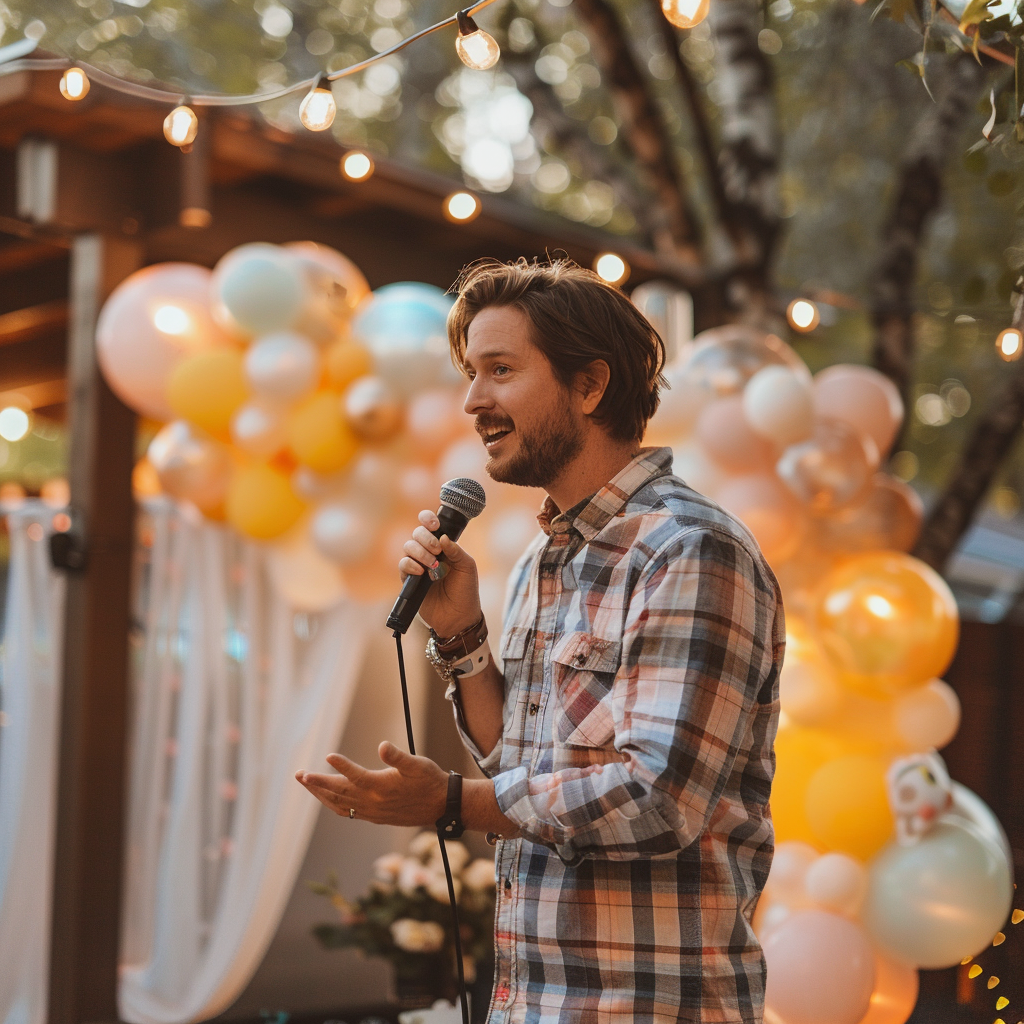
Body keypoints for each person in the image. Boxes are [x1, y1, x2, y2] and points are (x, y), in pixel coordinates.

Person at [296, 258, 785, 1024]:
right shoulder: (537, 560)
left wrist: (451, 802)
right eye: (470, 373)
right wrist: (462, 636)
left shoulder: (688, 549)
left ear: (589, 387)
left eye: (499, 370)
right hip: (533, 1003)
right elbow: (520, 769)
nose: (471, 401)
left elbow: (659, 799)